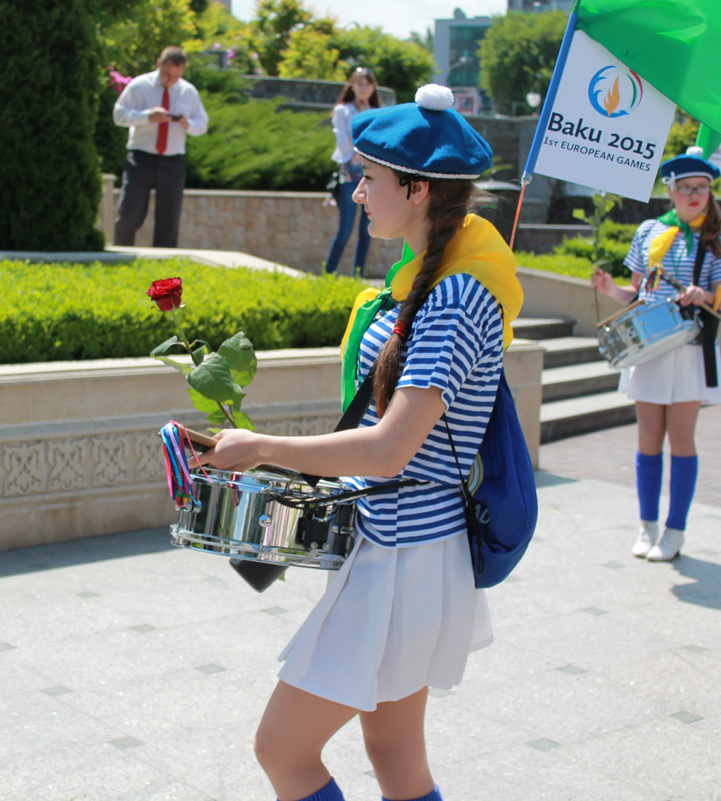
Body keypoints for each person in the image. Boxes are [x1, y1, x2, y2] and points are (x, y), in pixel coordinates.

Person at [193, 84, 523, 801]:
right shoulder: (428, 282)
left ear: (418, 188)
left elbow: (387, 450)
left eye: (368, 177)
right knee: (396, 755)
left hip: (404, 555)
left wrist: (261, 447)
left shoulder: (457, 295)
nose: (357, 190)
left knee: (283, 749)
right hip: (405, 549)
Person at [591, 147, 721, 561]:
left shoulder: (718, 238)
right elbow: (635, 294)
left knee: (682, 439)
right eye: (687, 188)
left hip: (689, 349)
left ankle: (675, 531)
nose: (695, 195)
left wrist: (705, 293)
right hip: (649, 347)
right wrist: (608, 289)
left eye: (703, 188)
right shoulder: (649, 231)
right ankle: (647, 526)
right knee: (648, 439)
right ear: (671, 191)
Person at [112, 46, 208, 248]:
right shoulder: (140, 86)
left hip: (172, 162)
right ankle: (119, 260)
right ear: (158, 64)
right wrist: (147, 117)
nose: (171, 80)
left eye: (176, 77)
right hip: (141, 159)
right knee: (129, 214)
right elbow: (118, 116)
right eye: (167, 75)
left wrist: (186, 123)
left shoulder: (188, 92)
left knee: (169, 222)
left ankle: (163, 278)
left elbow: (203, 124)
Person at [323, 67, 381, 276]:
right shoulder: (343, 111)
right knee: (345, 228)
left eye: (367, 84)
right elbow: (342, 145)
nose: (363, 88)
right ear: (352, 86)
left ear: (373, 87)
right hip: (349, 174)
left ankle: (358, 276)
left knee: (367, 229)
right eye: (359, 83)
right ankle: (328, 274)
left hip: (371, 174)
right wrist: (359, 129)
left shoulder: (378, 111)